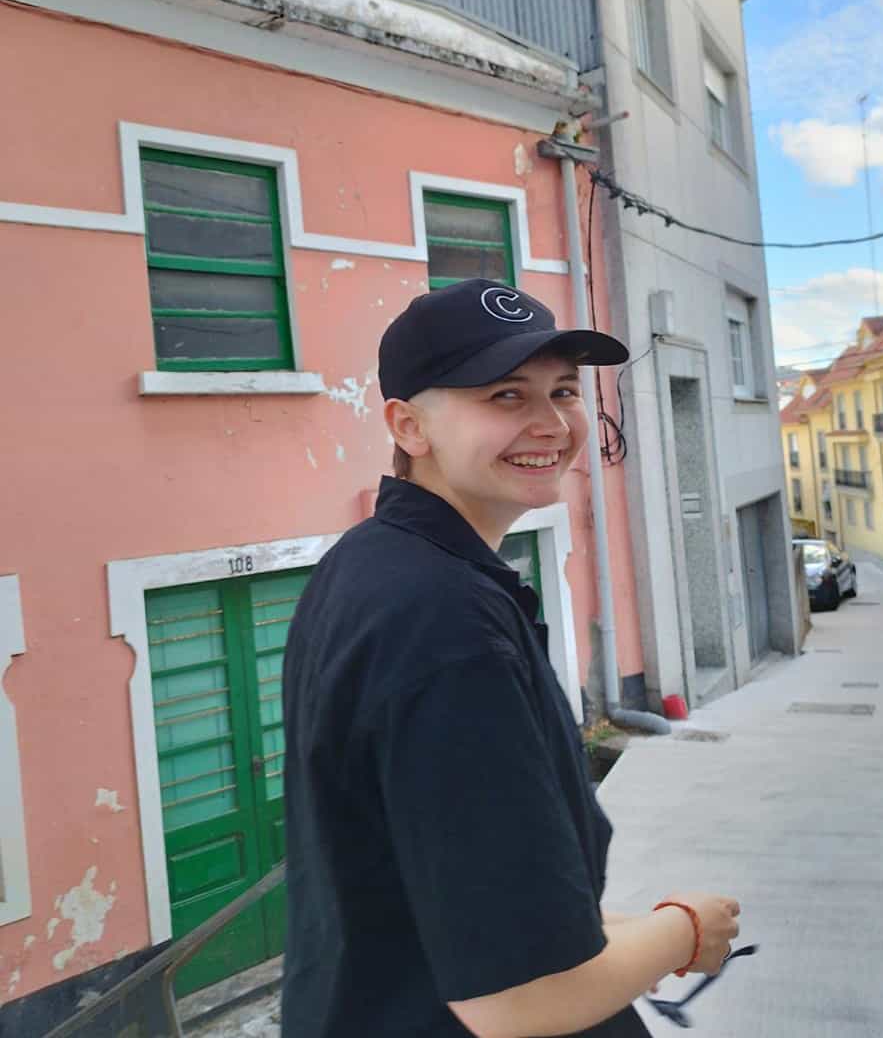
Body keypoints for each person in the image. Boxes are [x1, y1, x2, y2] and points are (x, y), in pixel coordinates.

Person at [281, 279, 741, 1036]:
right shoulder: (444, 625)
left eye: (563, 390)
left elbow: (437, 895)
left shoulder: (375, 564)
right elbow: (516, 1000)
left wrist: (634, 933)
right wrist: (685, 931)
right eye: (504, 396)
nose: (552, 423)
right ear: (409, 425)